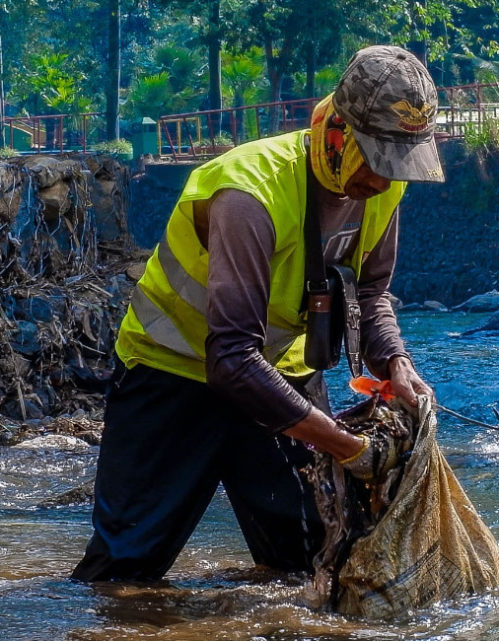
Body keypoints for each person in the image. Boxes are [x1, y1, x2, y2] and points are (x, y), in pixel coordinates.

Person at [72, 45, 442, 582]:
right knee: (125, 572)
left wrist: (396, 363)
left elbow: (371, 295)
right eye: (377, 160)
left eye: (399, 164)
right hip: (172, 377)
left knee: (311, 563)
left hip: (279, 375)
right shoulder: (249, 193)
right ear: (334, 131)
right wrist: (345, 446)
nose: (384, 181)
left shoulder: (385, 191)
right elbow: (230, 358)